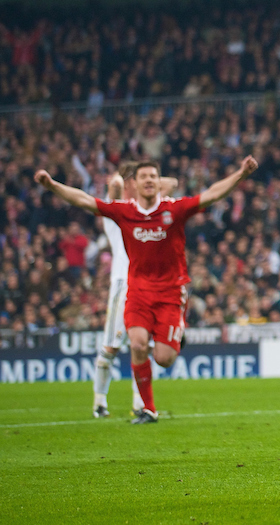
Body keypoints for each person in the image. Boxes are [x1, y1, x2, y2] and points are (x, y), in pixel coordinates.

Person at [36, 157, 258, 424]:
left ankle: (176, 331)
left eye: (153, 175)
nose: (149, 180)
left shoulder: (173, 209)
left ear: (158, 181)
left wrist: (241, 174)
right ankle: (148, 409)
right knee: (138, 344)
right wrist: (51, 185)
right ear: (136, 183)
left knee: (164, 358)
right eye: (144, 176)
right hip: (138, 292)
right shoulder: (124, 212)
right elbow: (83, 200)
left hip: (170, 293)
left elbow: (210, 195)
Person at [92, 161, 178, 418]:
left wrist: (146, 184)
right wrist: (122, 180)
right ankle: (99, 402)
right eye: (136, 179)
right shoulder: (117, 213)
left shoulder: (148, 211)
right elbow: (114, 185)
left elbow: (171, 182)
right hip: (123, 285)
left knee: (140, 347)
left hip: (148, 285)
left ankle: (140, 403)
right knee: (110, 347)